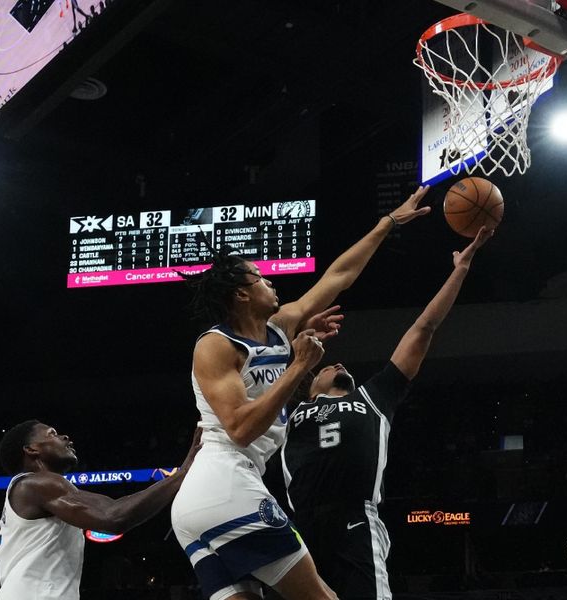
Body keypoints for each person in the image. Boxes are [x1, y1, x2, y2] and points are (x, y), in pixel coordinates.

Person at [170, 187, 431, 600]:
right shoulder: (216, 345)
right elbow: (239, 428)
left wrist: (389, 223)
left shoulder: (280, 326)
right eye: (260, 277)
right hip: (227, 481)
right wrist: (299, 366)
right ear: (241, 294)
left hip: (202, 505)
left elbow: (338, 277)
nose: (271, 282)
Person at [281, 226, 494, 599]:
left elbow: (424, 328)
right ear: (308, 383)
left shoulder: (373, 396)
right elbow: (268, 351)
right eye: (326, 368)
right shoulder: (287, 406)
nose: (338, 363)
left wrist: (461, 268)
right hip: (300, 531)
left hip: (354, 522)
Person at [0, 420, 202, 599]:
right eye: (52, 434)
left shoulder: (28, 490)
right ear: (31, 449)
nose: (65, 437)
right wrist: (181, 474)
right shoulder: (37, 484)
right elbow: (113, 516)